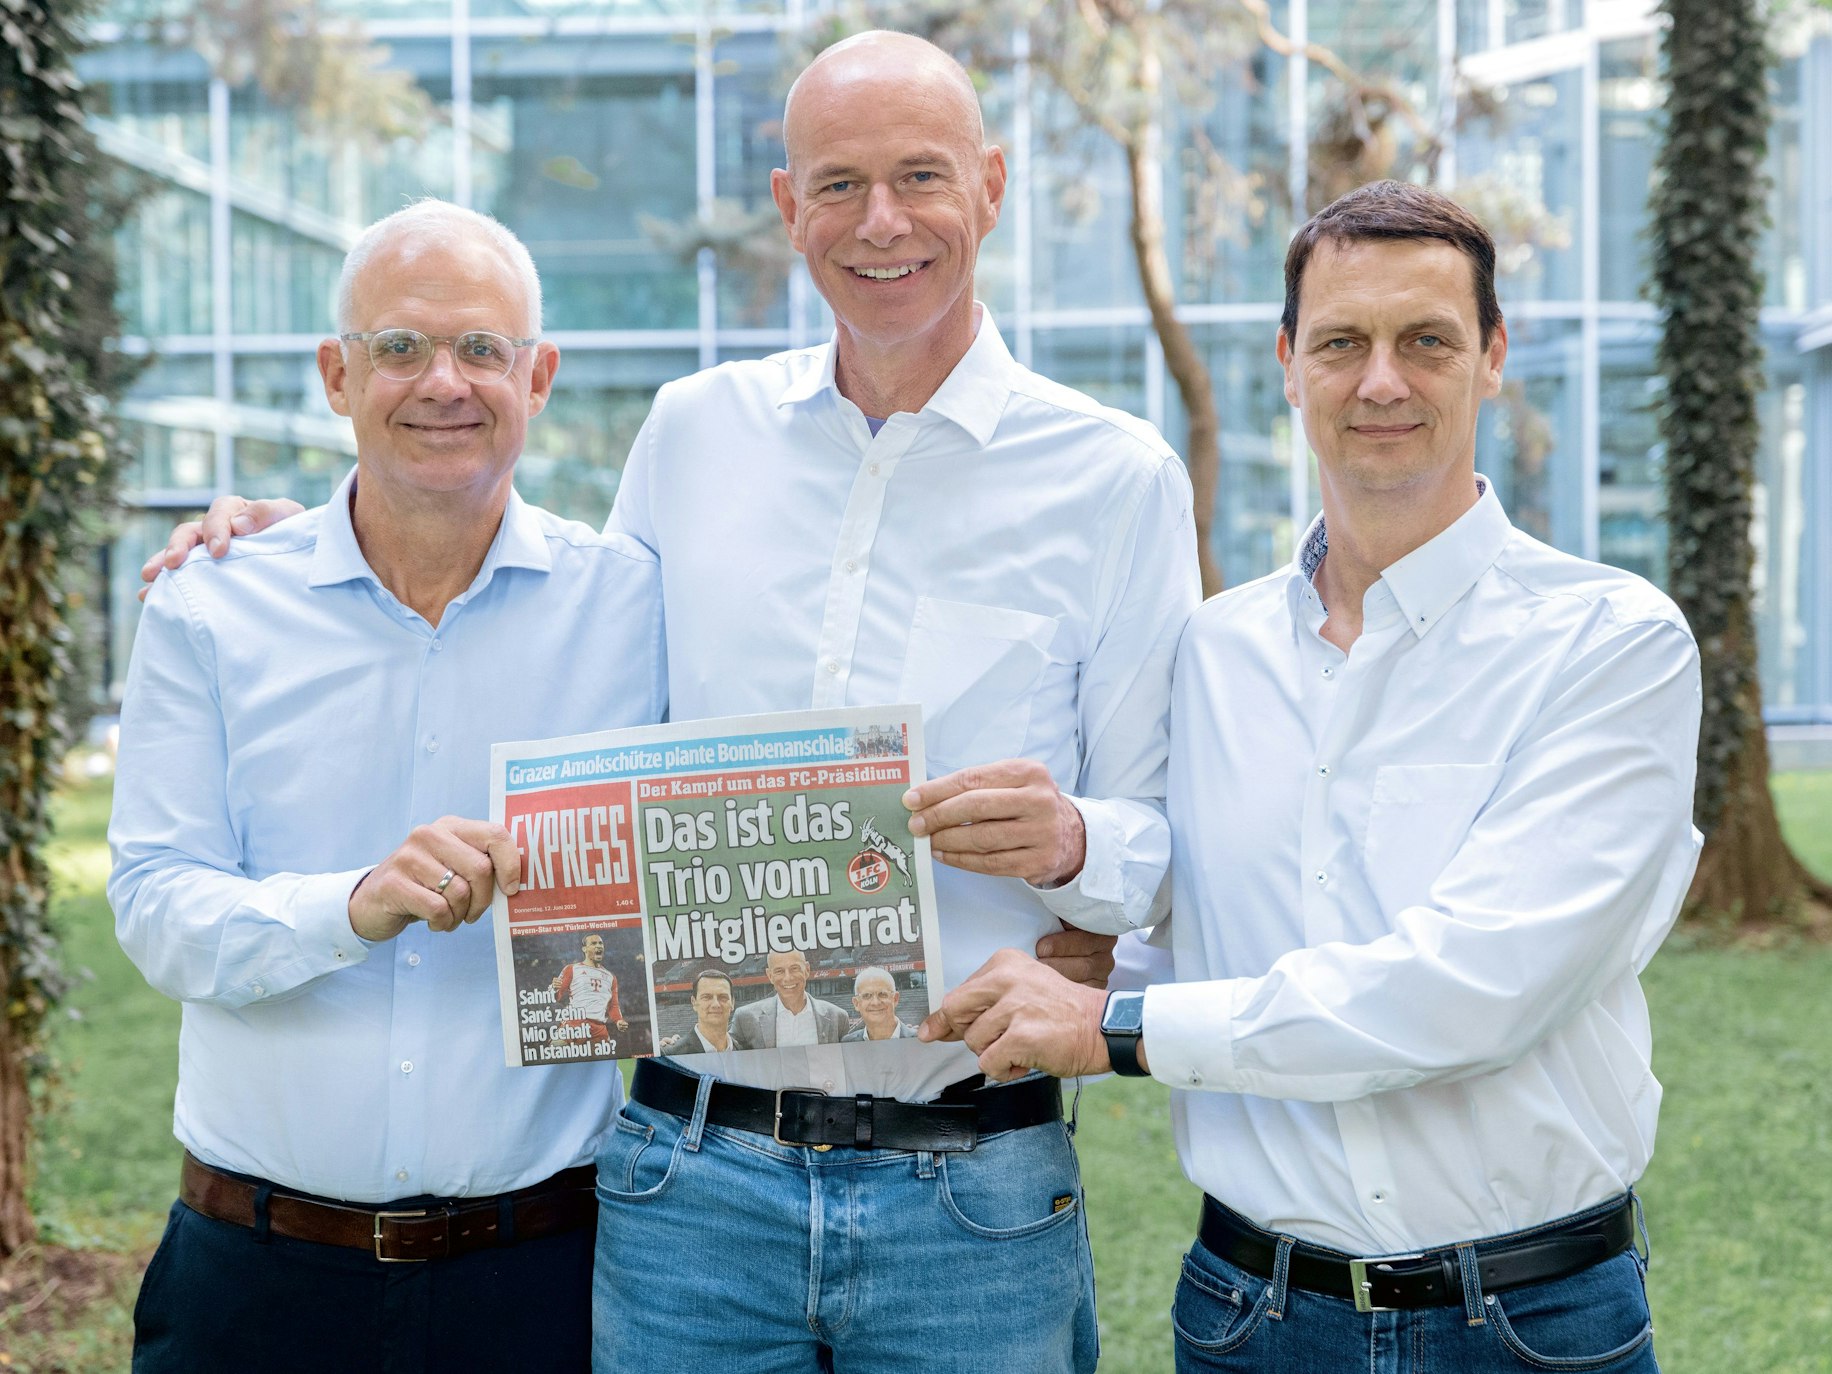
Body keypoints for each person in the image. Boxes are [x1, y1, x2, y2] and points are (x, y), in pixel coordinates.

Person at [141, 31, 1197, 1373]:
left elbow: (1167, 846)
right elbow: (541, 590)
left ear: (990, 186)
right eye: (838, 184)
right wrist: (299, 540)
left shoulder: (1116, 478)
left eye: (921, 177)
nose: (882, 223)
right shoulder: (694, 435)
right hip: (689, 1180)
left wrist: (1072, 847)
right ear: (786, 207)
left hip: (967, 1183)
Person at [923, 180, 1702, 1373]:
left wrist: (1112, 1025)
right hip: (1251, 1317)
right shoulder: (1211, 651)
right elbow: (1216, 908)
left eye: (1425, 341)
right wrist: (1075, 883)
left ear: (1491, 357)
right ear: (1288, 363)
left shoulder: (1610, 643)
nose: (1379, 381)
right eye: (1340, 342)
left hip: (1530, 1324)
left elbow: (1469, 988)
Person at [108, 200, 666, 1374]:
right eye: (400, 347)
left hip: (544, 1277)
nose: (443, 383)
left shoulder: (635, 606)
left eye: (482, 349)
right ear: (336, 373)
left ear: (541, 374)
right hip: (253, 1279)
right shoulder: (209, 605)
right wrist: (351, 903)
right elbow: (156, 908)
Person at [729, 948, 851, 1048]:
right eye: (779, 971)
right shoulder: (745, 1018)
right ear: (769, 975)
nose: (788, 978)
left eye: (794, 968)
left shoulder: (838, 1017)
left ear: (807, 970)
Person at [551, 932, 629, 1046]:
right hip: (575, 1023)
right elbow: (556, 996)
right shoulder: (572, 969)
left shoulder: (611, 977)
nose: (598, 946)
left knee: (603, 1060)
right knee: (554, 1049)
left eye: (600, 943)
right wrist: (554, 989)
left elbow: (613, 1005)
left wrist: (619, 1020)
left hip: (598, 1028)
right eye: (593, 943)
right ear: (584, 949)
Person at [660, 969, 739, 1054]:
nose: (716, 1004)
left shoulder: (745, 1049)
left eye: (723, 997)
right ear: (694, 1002)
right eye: (707, 997)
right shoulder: (669, 1053)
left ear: (732, 1003)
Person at [841, 966, 916, 1042]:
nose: (875, 1003)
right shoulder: (847, 1043)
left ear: (895, 999)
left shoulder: (920, 1040)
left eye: (882, 994)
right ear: (856, 1003)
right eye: (867, 996)